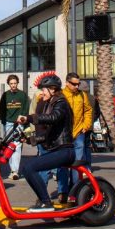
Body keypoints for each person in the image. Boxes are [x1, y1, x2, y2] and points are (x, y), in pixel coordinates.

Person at [16, 74, 74, 212]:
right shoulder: (51, 103)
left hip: (64, 151)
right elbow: (50, 135)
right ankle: (43, 201)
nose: (42, 93)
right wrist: (31, 140)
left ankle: (46, 202)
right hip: (58, 149)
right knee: (27, 168)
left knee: (29, 168)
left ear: (52, 89)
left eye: (44, 90)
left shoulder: (61, 103)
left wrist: (29, 118)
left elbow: (53, 118)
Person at [56, 72, 92, 205]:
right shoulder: (60, 95)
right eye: (74, 84)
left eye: (78, 84)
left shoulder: (82, 95)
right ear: (67, 83)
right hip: (63, 136)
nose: (77, 86)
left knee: (77, 164)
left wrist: (86, 125)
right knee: (63, 164)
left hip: (78, 133)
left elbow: (88, 110)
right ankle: (63, 191)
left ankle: (76, 191)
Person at [0, 74, 28, 180]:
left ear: (17, 83)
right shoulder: (5, 95)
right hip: (9, 123)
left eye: (15, 83)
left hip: (19, 123)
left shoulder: (22, 95)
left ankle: (15, 171)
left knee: (18, 145)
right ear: (9, 84)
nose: (13, 85)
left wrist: (23, 119)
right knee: (10, 146)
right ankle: (12, 169)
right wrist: (3, 120)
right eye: (11, 84)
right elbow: (1, 108)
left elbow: (26, 108)